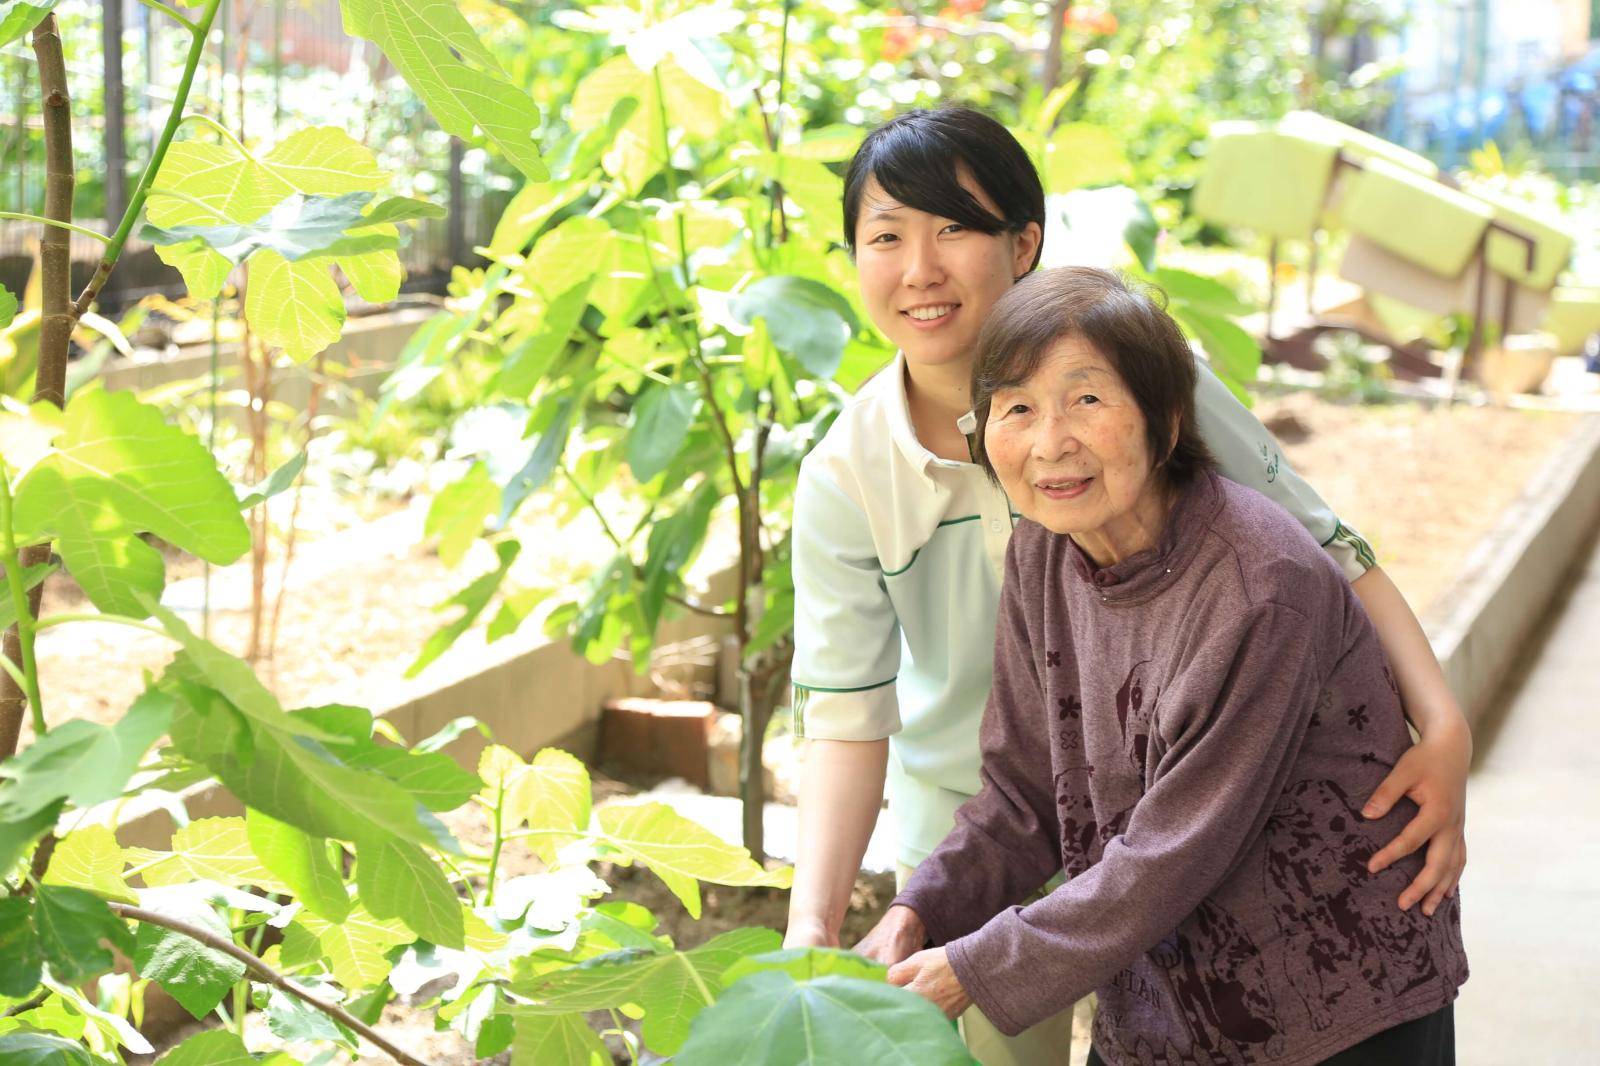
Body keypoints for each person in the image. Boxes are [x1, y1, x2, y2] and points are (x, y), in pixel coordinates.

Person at [783, 106, 1471, 1062]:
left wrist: (1445, 728)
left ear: (1164, 416)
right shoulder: (1034, 539)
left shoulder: (1255, 581)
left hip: (1314, 970)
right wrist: (904, 913)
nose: (1052, 441)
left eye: (1087, 402)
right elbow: (1002, 777)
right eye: (1017, 410)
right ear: (989, 436)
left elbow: (1335, 559)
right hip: (1099, 889)